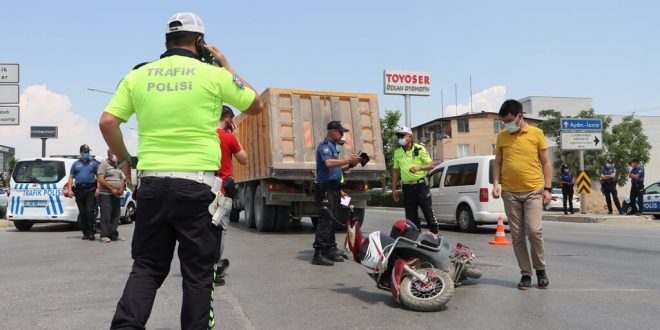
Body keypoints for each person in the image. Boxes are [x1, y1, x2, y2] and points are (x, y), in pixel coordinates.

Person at [99, 12, 264, 329]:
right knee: (199, 274)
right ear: (199, 42)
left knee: (146, 267)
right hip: (196, 187)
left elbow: (107, 122)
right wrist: (225, 65)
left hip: (151, 186)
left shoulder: (138, 76)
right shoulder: (212, 75)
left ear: (165, 41)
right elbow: (255, 104)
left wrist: (124, 161)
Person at [491, 100, 552, 290]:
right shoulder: (502, 137)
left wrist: (548, 189)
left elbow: (546, 163)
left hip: (533, 190)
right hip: (510, 192)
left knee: (534, 231)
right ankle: (526, 274)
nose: (506, 125)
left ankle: (540, 270)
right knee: (517, 236)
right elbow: (498, 162)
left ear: (520, 116)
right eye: (503, 122)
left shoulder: (536, 133)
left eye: (509, 120)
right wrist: (496, 183)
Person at [312, 121, 361, 266]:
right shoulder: (325, 146)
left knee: (332, 220)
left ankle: (329, 250)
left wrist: (352, 163)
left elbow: (337, 170)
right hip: (325, 188)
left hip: (333, 188)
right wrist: (348, 160)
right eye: (340, 132)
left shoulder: (333, 148)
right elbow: (328, 164)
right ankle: (319, 253)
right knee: (325, 221)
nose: (342, 135)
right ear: (332, 131)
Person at [213, 105, 248, 286]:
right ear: (228, 120)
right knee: (220, 230)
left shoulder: (205, 135)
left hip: (204, 189)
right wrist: (236, 138)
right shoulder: (227, 137)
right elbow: (244, 158)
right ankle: (215, 268)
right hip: (223, 193)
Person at [390, 127, 440, 234]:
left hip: (421, 186)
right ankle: (415, 241)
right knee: (411, 218)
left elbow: (431, 165)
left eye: (402, 135)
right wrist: (393, 189)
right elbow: (395, 171)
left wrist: (419, 168)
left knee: (428, 213)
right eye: (399, 136)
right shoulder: (397, 152)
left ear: (410, 137)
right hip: (407, 188)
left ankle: (436, 237)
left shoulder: (419, 149)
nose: (400, 138)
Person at [66, 144, 99, 241]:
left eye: (88, 152)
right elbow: (71, 177)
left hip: (90, 189)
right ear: (81, 153)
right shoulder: (76, 164)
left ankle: (91, 232)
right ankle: (85, 232)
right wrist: (69, 189)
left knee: (89, 211)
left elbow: (98, 176)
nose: (87, 154)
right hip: (79, 190)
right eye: (85, 152)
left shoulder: (93, 163)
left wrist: (98, 188)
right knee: (83, 212)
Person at [96, 149, 126, 243]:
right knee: (106, 214)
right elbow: (100, 179)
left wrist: (121, 188)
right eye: (114, 153)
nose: (116, 156)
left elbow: (122, 178)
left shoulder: (118, 166)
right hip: (106, 194)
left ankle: (113, 234)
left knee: (116, 215)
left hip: (117, 194)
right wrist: (111, 189)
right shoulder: (104, 164)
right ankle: (104, 235)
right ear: (109, 155)